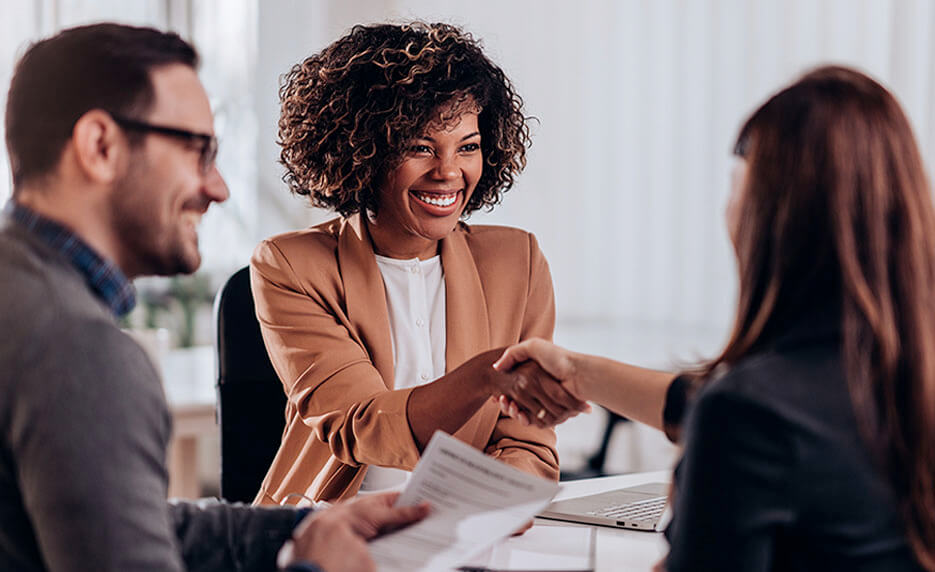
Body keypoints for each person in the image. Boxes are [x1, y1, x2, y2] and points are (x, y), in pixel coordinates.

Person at [0, 23, 427, 572]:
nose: (219, 187)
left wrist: (301, 525)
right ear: (100, 146)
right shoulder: (78, 349)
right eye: (198, 151)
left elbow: (118, 520)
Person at [495, 66, 935, 571]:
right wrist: (577, 372)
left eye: (736, 184)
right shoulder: (900, 380)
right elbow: (706, 404)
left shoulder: (750, 415)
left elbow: (739, 417)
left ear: (771, 215)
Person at [251, 21, 586, 505]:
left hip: (465, 534)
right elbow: (361, 425)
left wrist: (479, 515)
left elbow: (527, 444)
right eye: (419, 147)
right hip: (333, 530)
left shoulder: (519, 261)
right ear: (363, 151)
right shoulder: (291, 266)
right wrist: (486, 375)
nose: (449, 172)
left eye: (467, 147)